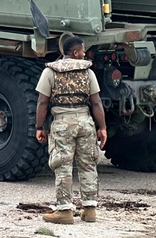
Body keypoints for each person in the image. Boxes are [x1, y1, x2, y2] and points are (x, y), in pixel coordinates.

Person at [35, 36, 108, 224]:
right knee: (88, 164)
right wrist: (102, 127)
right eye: (83, 51)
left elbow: (42, 102)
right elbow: (96, 102)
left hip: (62, 124)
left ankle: (64, 211)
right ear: (75, 53)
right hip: (85, 122)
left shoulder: (50, 72)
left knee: (63, 166)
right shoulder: (87, 72)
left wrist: (39, 127)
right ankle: (90, 209)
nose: (85, 54)